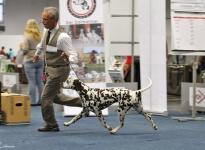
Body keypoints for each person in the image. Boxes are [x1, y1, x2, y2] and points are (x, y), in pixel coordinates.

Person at [33, 7, 82, 132]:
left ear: (54, 20)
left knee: (45, 98)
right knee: (56, 97)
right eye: (42, 19)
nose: (42, 21)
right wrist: (37, 53)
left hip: (59, 71)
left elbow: (74, 57)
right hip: (50, 70)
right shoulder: (46, 30)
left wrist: (68, 58)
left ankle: (52, 125)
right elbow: (42, 44)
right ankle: (86, 102)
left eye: (45, 19)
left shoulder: (63, 37)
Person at [19, 19, 44, 105]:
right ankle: (41, 101)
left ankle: (32, 101)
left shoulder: (27, 35)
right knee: (40, 82)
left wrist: (21, 48)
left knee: (31, 82)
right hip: (40, 60)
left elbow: (25, 49)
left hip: (29, 60)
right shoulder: (40, 35)